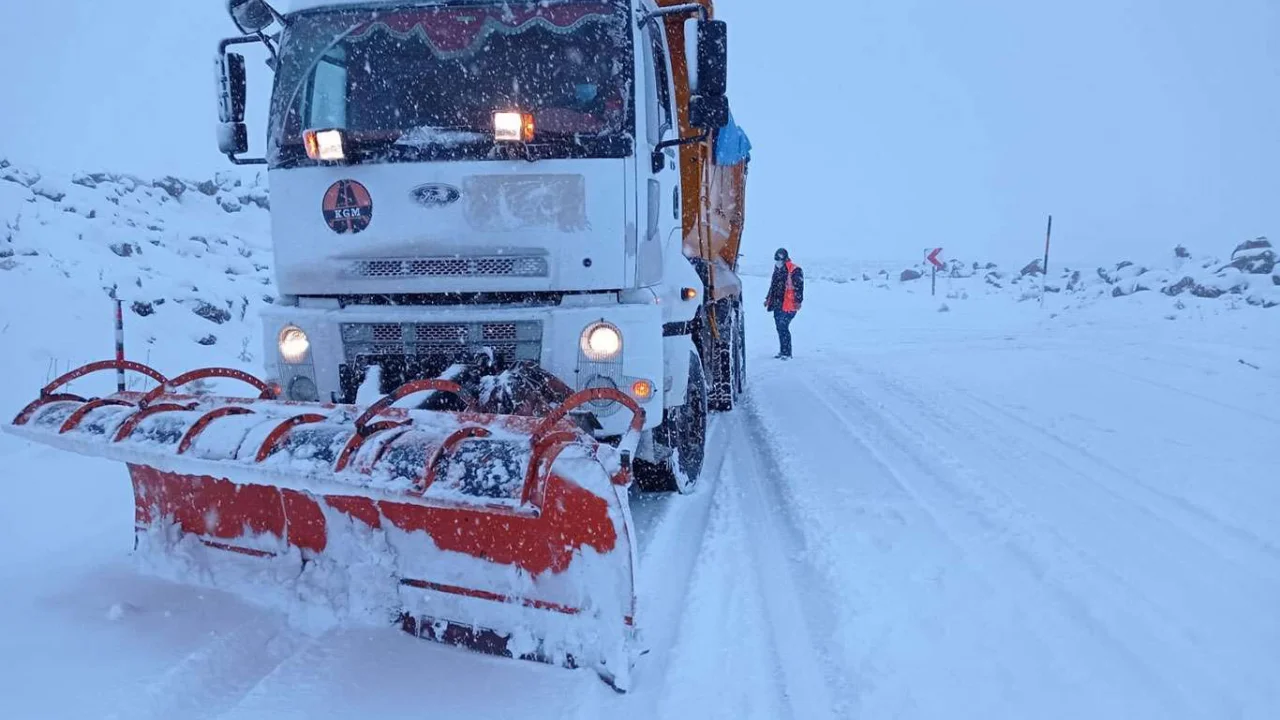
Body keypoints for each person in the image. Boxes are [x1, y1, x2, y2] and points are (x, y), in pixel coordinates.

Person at [764, 248, 804, 359]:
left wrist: (798, 301)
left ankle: (787, 353)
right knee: (780, 328)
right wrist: (768, 299)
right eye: (776, 260)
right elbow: (773, 286)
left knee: (783, 327)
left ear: (785, 259)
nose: (777, 262)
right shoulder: (777, 270)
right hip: (778, 304)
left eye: (779, 260)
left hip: (789, 305)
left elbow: (799, 287)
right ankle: (783, 351)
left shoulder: (795, 270)